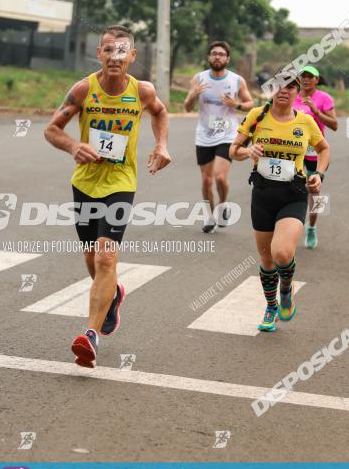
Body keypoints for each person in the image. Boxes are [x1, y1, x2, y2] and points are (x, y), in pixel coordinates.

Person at [44, 24, 171, 368]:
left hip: (121, 182)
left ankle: (91, 336)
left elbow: (159, 112)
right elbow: (52, 129)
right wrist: (74, 145)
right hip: (85, 183)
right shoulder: (84, 89)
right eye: (107, 50)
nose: (114, 57)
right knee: (91, 257)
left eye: (122, 51)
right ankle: (113, 294)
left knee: (105, 259)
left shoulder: (142, 91)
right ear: (99, 54)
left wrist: (162, 144)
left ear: (132, 56)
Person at [229, 71, 329, 332]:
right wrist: (247, 150)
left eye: (291, 87)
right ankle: (271, 306)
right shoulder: (256, 116)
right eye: (279, 86)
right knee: (266, 260)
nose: (284, 90)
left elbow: (324, 149)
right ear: (271, 90)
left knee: (282, 253)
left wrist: (318, 174)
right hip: (262, 194)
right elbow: (234, 149)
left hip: (293, 194)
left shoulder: (306, 122)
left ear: (298, 93)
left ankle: (287, 287)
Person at [183, 41, 254, 233]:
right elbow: (187, 108)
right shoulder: (199, 78)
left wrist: (236, 104)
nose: (217, 57)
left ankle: (223, 206)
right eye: (214, 53)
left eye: (221, 54)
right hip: (204, 135)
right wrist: (192, 96)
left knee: (220, 178)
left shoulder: (237, 80)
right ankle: (209, 215)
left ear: (227, 59)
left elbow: (250, 103)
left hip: (228, 134)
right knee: (206, 181)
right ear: (208, 57)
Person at [292, 65, 337, 249]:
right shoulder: (292, 95)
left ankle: (312, 227)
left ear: (317, 80)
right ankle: (292, 225)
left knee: (315, 192)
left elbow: (334, 124)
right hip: (295, 149)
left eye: (310, 76)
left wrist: (316, 112)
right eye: (303, 76)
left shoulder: (324, 98)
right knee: (293, 187)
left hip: (315, 151)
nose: (306, 79)